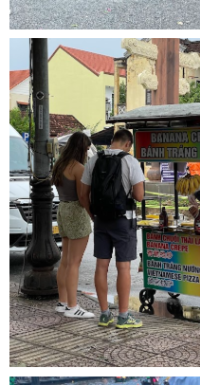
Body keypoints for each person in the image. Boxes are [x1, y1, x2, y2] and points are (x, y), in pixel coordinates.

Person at [80, 130, 145, 329]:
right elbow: (140, 196)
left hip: (100, 220)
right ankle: (124, 317)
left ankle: (104, 314)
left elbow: (83, 194)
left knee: (101, 265)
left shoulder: (94, 160)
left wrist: (93, 215)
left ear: (111, 142)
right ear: (128, 144)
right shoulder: (130, 161)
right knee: (123, 267)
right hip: (123, 220)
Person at [51, 131, 95, 319]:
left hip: (62, 209)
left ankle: (63, 302)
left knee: (66, 260)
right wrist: (92, 215)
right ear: (82, 149)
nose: (87, 152)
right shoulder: (79, 168)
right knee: (75, 262)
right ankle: (73, 306)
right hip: (76, 212)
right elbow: (83, 196)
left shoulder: (59, 165)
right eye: (86, 149)